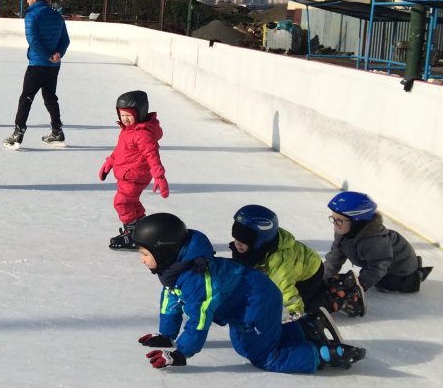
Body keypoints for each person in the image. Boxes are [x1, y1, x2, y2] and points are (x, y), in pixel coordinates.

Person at [131, 212, 366, 373]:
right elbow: (171, 298)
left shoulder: (197, 279)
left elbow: (199, 319)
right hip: (245, 298)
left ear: (163, 251)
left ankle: (322, 355)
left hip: (256, 301)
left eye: (144, 253)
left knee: (261, 355)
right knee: (249, 341)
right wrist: (166, 334)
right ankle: (303, 331)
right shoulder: (176, 269)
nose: (142, 260)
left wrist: (181, 353)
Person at [230, 204, 332, 320]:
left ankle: (328, 299)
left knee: (308, 305)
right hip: (293, 267)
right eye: (236, 237)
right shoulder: (246, 249)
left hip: (310, 272)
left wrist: (294, 313)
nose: (237, 243)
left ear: (260, 239)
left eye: (244, 239)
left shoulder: (278, 262)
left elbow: (286, 290)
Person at [324, 191, 433, 298]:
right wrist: (321, 277)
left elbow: (377, 267)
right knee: (349, 280)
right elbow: (334, 258)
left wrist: (357, 288)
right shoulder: (342, 233)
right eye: (333, 219)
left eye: (339, 220)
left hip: (400, 273)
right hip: (383, 267)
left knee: (382, 282)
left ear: (357, 222)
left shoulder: (374, 241)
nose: (335, 224)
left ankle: (416, 277)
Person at [98, 90, 168, 250]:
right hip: (127, 174)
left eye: (128, 115)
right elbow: (119, 150)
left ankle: (131, 235)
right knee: (132, 203)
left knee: (121, 203)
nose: (125, 119)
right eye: (122, 115)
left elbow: (152, 156)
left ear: (140, 113)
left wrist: (160, 177)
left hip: (135, 176)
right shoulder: (127, 131)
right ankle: (141, 228)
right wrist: (109, 163)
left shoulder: (142, 134)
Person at [3, 0, 69, 149]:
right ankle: (57, 131)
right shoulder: (57, 16)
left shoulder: (32, 16)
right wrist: (57, 54)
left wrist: (47, 55)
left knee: (26, 98)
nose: (26, 0)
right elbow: (65, 40)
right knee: (50, 97)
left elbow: (33, 40)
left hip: (37, 64)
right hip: (53, 66)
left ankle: (18, 133)